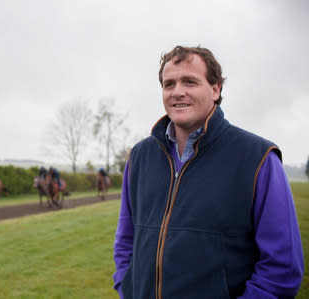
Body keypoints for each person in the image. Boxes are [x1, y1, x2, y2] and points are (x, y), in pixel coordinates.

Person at [113, 46, 304, 298]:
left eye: (189, 82)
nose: (177, 92)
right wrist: (126, 285)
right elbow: (126, 239)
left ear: (215, 89)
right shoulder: (139, 156)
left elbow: (282, 269)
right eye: (169, 84)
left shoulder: (258, 158)